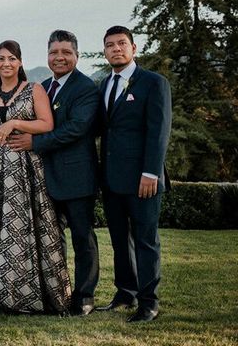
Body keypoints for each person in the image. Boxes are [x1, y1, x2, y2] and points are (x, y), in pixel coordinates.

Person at [0, 39, 71, 313]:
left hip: (27, 168)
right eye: (1, 58)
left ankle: (26, 296)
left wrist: (15, 122)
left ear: (20, 62)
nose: (6, 63)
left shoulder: (33, 90)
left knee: (23, 228)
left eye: (11, 58)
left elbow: (47, 124)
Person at [6, 30, 100, 316]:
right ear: (47, 56)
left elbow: (76, 129)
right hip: (41, 176)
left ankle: (84, 296)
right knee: (48, 238)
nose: (59, 57)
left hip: (76, 175)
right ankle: (54, 293)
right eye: (54, 52)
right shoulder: (42, 87)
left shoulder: (86, 88)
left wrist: (35, 142)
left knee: (82, 238)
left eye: (65, 52)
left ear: (76, 55)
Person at [97, 25, 171, 323]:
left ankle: (149, 301)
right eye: (110, 45)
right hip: (112, 179)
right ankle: (125, 291)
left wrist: (151, 172)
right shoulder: (103, 85)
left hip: (143, 179)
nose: (116, 48)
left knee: (145, 239)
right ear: (105, 51)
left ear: (133, 48)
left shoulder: (153, 83)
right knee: (118, 239)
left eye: (122, 43)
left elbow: (159, 131)